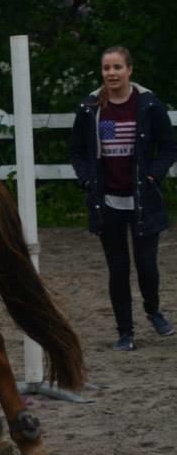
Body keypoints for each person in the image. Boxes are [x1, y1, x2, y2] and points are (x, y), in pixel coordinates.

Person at [70, 46, 177, 351]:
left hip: (143, 200)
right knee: (118, 269)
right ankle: (125, 332)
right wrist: (87, 179)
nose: (112, 73)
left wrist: (154, 174)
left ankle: (153, 311)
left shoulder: (149, 105)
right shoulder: (90, 107)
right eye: (106, 68)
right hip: (107, 202)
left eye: (117, 67)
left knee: (146, 266)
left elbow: (169, 147)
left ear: (130, 69)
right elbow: (77, 151)